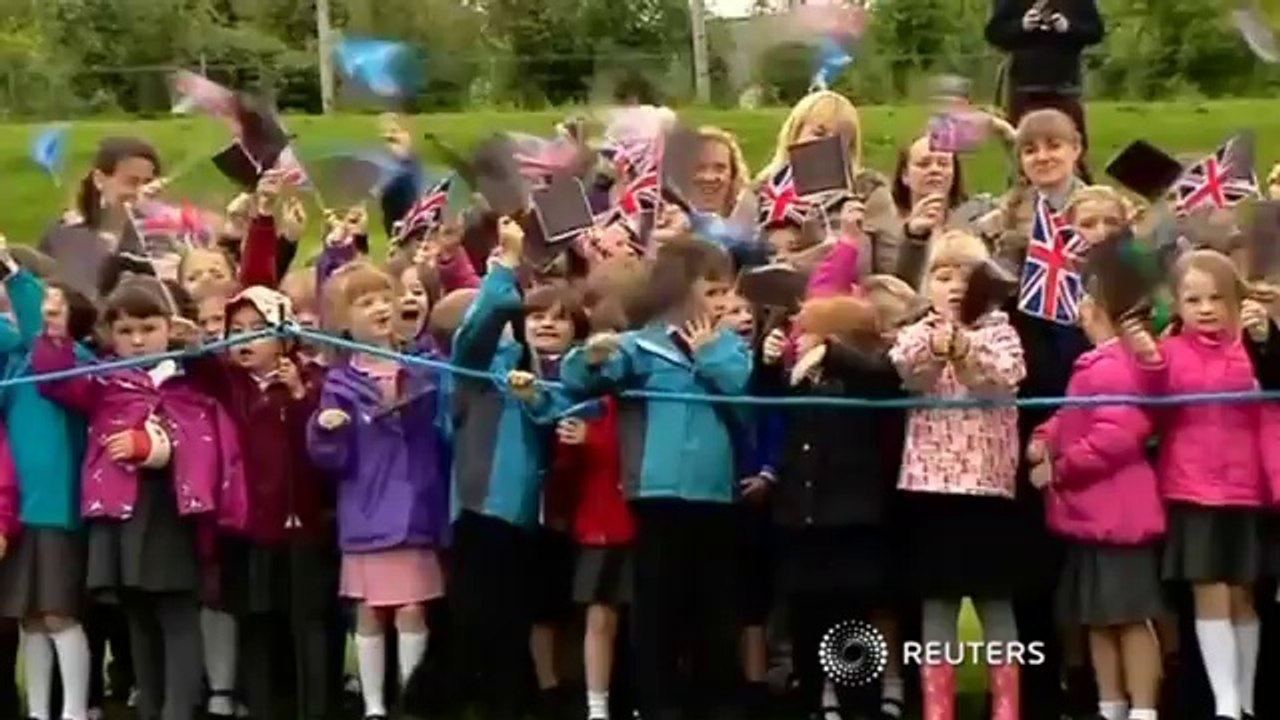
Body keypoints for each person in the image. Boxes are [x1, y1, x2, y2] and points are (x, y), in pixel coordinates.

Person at [33, 276, 248, 720]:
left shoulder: (193, 379)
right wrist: (55, 334)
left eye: (148, 328)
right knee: (139, 617)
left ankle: (178, 711)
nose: (137, 340)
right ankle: (150, 707)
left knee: (177, 616)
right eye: (126, 330)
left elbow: (220, 392)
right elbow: (55, 382)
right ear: (111, 333)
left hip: (175, 511)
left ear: (170, 326)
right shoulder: (105, 380)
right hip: (120, 513)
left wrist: (156, 444)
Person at [561, 239, 753, 720]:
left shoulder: (729, 345)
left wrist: (709, 354)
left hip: (714, 498)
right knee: (657, 609)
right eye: (711, 292)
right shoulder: (640, 346)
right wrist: (593, 356)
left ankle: (717, 701)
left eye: (724, 292)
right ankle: (657, 703)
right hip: (656, 495)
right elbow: (577, 379)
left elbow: (741, 394)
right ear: (679, 292)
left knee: (715, 609)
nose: (722, 302)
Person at [1120, 250, 1267, 720]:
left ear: (1235, 299)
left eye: (1216, 298)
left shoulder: (1251, 346)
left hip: (1248, 486)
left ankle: (1245, 699)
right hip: (1192, 487)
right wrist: (1148, 362)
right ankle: (1224, 702)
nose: (1205, 308)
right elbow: (1153, 410)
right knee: (1210, 588)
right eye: (1193, 299)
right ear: (1177, 305)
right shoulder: (1170, 353)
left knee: (1243, 592)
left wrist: (1265, 339)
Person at [888, 229, 1027, 720]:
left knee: (995, 601)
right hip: (931, 487)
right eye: (941, 275)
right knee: (938, 602)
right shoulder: (915, 331)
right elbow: (909, 371)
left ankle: (1007, 706)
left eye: (964, 275)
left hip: (987, 489)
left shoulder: (1000, 331)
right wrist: (936, 345)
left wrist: (965, 348)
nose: (951, 285)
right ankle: (937, 707)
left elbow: (1001, 377)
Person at [309, 264, 451, 720]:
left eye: (383, 298)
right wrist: (327, 431)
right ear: (344, 321)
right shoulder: (339, 383)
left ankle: (411, 702)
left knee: (412, 609)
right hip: (366, 508)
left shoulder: (423, 366)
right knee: (370, 612)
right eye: (365, 302)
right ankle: (373, 706)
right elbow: (331, 460)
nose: (379, 309)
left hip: (415, 505)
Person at [1029, 294, 1165, 720]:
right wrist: (1045, 437)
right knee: (1098, 618)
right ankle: (1111, 706)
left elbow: (1117, 434)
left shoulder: (1112, 365)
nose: (1078, 312)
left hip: (1118, 515)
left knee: (1130, 616)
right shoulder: (1094, 364)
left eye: (1085, 305)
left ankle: (1142, 709)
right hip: (1091, 516)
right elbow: (1074, 416)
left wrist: (1061, 470)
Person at [0, 240, 97, 720]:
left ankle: (74, 711)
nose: (47, 317)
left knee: (60, 614)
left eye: (57, 309)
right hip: (17, 512)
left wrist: (12, 273)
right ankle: (40, 713)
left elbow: (46, 349)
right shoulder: (14, 357)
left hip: (56, 506)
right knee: (30, 621)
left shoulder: (73, 359)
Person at [984, 0, 1105, 149]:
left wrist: (1069, 27)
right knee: (1025, 147)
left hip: (1065, 84)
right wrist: (1021, 25)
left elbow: (1095, 31)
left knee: (1070, 146)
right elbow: (994, 33)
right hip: (1024, 84)